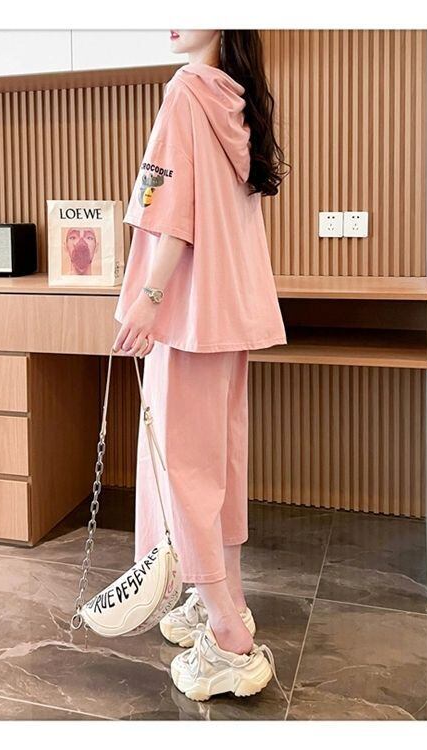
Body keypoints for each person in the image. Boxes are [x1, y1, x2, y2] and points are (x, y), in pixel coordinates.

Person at [112, 29, 289, 702]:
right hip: (228, 314)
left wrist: (148, 298)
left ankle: (229, 639)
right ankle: (225, 601)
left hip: (187, 316)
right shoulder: (236, 100)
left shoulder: (185, 91)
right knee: (217, 469)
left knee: (182, 475)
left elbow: (169, 214)